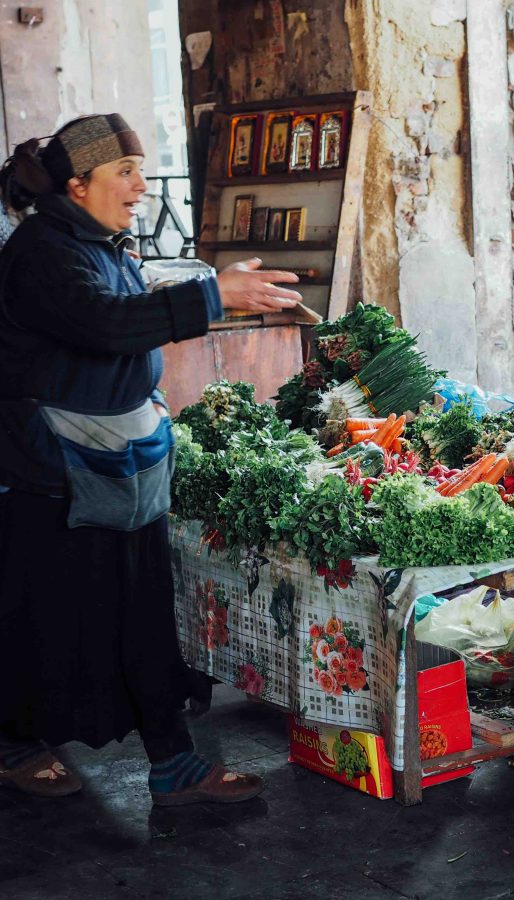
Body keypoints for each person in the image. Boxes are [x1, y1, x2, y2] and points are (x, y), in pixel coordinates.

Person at [0, 114, 302, 804]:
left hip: (120, 465)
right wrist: (211, 295)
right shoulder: (44, 253)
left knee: (140, 613)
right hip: (58, 474)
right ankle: (15, 738)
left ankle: (174, 762)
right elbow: (106, 323)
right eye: (125, 172)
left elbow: (124, 310)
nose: (141, 186)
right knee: (44, 617)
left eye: (141, 169)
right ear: (77, 185)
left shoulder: (101, 244)